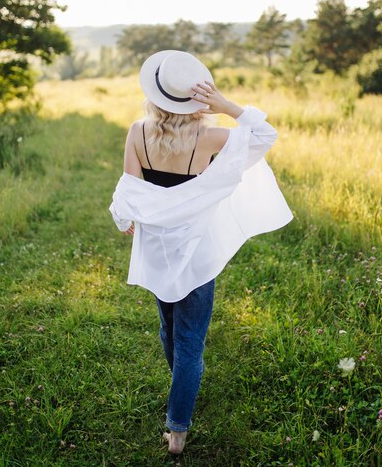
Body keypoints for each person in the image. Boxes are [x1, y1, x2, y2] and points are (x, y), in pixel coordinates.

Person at [109, 50, 293, 455]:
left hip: (157, 249)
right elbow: (264, 137)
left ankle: (182, 391)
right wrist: (225, 105)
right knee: (191, 340)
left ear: (154, 94)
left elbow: (130, 189)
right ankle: (178, 430)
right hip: (195, 251)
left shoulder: (137, 132)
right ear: (196, 99)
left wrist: (127, 219)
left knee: (169, 327)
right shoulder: (209, 136)